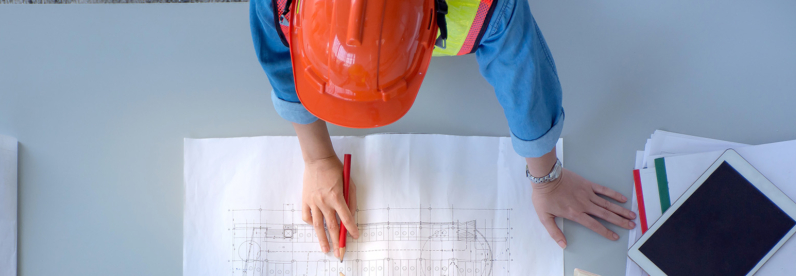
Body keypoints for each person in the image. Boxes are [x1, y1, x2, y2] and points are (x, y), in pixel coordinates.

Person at [250, 0, 636, 252]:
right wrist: (317, 159)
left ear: (430, 31)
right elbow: (281, 64)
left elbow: (523, 77)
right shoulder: (276, 5)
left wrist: (546, 178)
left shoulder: (489, 6)